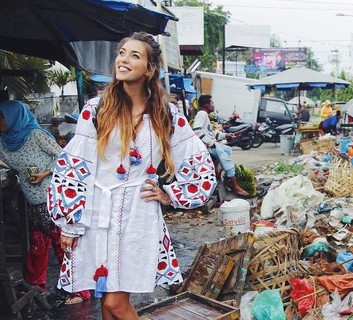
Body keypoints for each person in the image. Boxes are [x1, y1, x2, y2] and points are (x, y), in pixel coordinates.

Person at [46, 32, 217, 319]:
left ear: (150, 69)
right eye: (122, 53)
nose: (123, 59)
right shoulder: (97, 109)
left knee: (115, 302)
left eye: (134, 55)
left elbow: (198, 162)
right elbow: (76, 164)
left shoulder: (167, 114)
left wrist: (169, 194)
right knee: (105, 300)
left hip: (138, 216)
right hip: (97, 212)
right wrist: (70, 221)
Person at [0, 92, 91, 304]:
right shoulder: (4, 142)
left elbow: (65, 157)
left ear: (13, 117)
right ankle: (35, 285)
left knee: (63, 243)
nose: (0, 122)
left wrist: (45, 172)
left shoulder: (35, 135)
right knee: (38, 245)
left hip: (53, 197)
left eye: (2, 117)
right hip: (32, 199)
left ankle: (79, 290)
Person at [193, 95, 249, 197]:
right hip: (209, 147)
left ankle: (217, 171)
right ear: (206, 105)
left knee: (226, 150)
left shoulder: (205, 115)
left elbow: (211, 133)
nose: (213, 105)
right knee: (228, 164)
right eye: (212, 103)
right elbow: (196, 130)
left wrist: (225, 135)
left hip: (212, 145)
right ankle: (236, 187)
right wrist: (211, 143)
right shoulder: (202, 114)